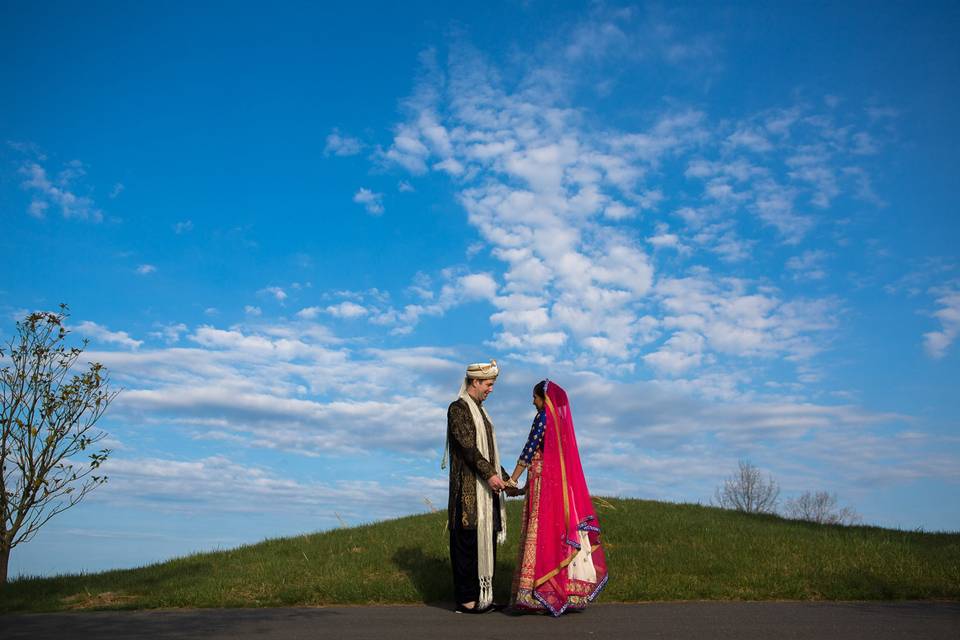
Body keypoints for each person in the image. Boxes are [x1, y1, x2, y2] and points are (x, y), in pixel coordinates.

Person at [506, 380, 608, 616]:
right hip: (560, 487)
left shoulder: (543, 418)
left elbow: (529, 450)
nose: (533, 402)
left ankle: (536, 594)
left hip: (544, 485)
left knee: (542, 532)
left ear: (544, 398)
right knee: (559, 532)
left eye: (535, 397)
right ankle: (571, 592)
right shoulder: (561, 424)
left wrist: (513, 479)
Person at [442, 359, 511, 613]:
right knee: (466, 546)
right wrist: (491, 475)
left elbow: (491, 456)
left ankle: (485, 597)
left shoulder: (483, 414)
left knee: (488, 544)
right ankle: (467, 600)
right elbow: (469, 449)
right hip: (467, 494)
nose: (491, 389)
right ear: (475, 382)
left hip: (487, 493)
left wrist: (507, 480)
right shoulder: (457, 410)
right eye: (488, 384)